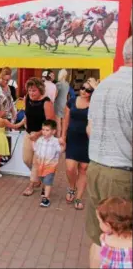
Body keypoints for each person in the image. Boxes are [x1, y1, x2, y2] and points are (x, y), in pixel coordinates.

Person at [86, 36, 132, 267]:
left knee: (99, 238)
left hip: (96, 169)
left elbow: (90, 129)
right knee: (123, 240)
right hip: (122, 175)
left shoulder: (104, 85)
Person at [61, 79, 96, 210]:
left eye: (88, 90)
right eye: (82, 88)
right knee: (70, 168)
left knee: (83, 169)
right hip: (72, 138)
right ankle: (71, 187)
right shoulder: (72, 101)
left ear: (92, 93)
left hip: (87, 140)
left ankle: (79, 197)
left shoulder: (94, 104)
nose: (84, 91)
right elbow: (66, 120)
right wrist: (63, 136)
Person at [22, 77, 55, 197]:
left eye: (34, 90)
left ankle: (31, 185)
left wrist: (39, 134)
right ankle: (39, 177)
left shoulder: (46, 102)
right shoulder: (27, 99)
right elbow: (26, 116)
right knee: (26, 159)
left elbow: (50, 122)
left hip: (41, 136)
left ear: (40, 90)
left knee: (36, 162)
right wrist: (19, 125)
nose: (31, 93)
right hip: (29, 134)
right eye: (30, 90)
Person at [32, 120, 64, 207]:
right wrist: (33, 140)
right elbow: (35, 149)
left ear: (53, 131)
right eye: (43, 130)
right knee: (42, 179)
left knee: (48, 180)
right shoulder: (40, 140)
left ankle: (46, 198)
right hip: (41, 164)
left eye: (47, 130)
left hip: (51, 165)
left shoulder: (55, 141)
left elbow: (60, 150)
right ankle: (44, 188)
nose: (44, 132)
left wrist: (63, 145)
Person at [94, 197, 132, 268]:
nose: (99, 223)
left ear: (108, 225)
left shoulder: (104, 238)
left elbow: (98, 259)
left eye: (100, 221)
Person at [54, 69, 70, 137]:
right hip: (64, 103)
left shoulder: (58, 84)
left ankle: (58, 136)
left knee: (58, 121)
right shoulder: (67, 84)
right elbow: (66, 95)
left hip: (58, 103)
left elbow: (55, 95)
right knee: (63, 121)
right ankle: (63, 136)